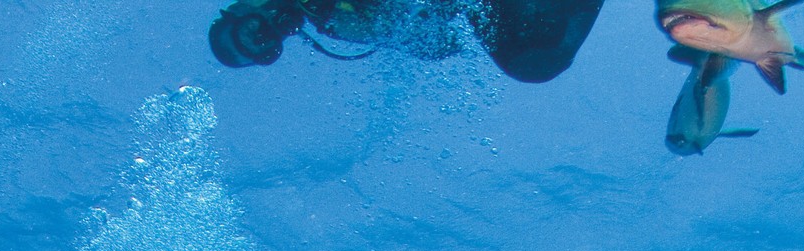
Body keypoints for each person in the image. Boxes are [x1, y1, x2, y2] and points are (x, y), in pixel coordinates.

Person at [208, 0, 606, 84]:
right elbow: (441, 44)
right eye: (267, 48)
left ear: (241, 8)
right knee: (534, 62)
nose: (273, 33)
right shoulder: (334, 24)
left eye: (254, 32)